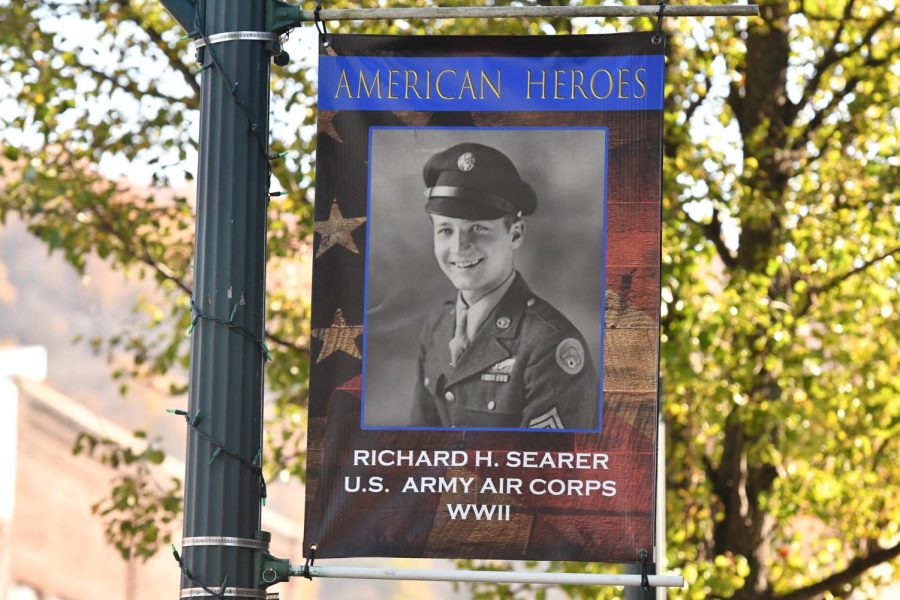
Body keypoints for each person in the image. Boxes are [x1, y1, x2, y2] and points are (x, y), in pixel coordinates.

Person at [411, 142, 598, 429]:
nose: (459, 247)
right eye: (446, 230)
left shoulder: (547, 344)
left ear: (515, 235)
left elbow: (546, 471)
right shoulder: (436, 327)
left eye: (478, 228)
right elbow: (415, 450)